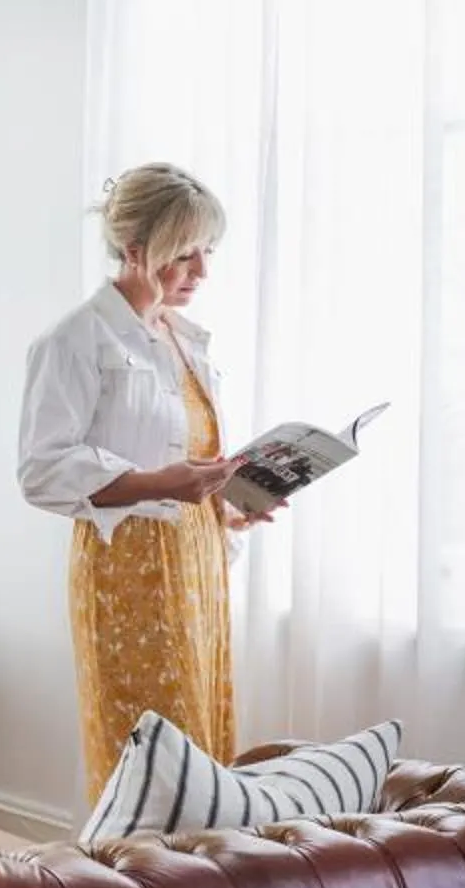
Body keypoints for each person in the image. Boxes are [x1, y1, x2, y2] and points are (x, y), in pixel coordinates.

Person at [16, 162, 277, 803]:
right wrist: (160, 482)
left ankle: (201, 887)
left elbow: (187, 455)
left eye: (207, 251)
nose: (201, 270)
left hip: (197, 559)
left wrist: (229, 507)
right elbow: (42, 470)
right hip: (127, 566)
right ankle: (137, 886)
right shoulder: (76, 339)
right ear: (136, 251)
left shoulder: (185, 340)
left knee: (203, 744)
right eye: (183, 253)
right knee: (151, 748)